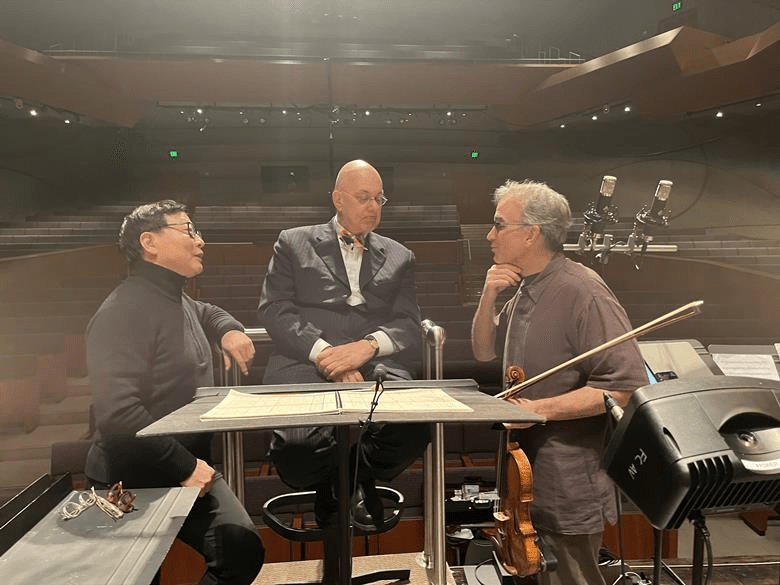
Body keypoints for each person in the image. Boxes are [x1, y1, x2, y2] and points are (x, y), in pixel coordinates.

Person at [471, 180, 648, 585]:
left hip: (568, 483)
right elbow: (483, 351)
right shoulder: (524, 287)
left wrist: (537, 409)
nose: (490, 235)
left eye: (499, 225)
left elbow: (623, 386)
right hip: (523, 476)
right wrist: (487, 296)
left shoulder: (583, 290)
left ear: (530, 234)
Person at [85, 200, 264, 585]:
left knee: (241, 549)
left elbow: (205, 311)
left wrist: (229, 329)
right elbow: (118, 415)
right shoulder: (122, 311)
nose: (200, 241)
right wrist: (184, 467)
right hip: (131, 475)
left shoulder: (173, 296)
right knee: (139, 577)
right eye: (188, 230)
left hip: (184, 466)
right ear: (149, 242)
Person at [257, 159, 430, 529]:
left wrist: (366, 347)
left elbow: (408, 324)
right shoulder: (292, 241)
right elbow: (274, 309)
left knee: (415, 426)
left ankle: (348, 479)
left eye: (379, 199)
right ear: (338, 199)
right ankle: (336, 483)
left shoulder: (401, 255)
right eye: (364, 197)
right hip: (305, 358)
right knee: (298, 452)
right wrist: (327, 355)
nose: (373, 206)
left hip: (374, 361)